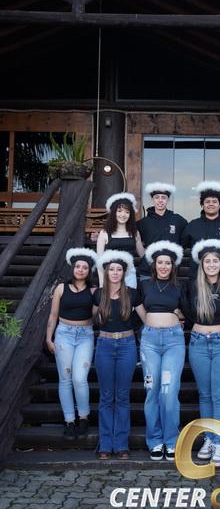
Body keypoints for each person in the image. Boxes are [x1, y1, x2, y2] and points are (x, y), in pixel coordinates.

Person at [184, 239, 220, 467]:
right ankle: (208, 439)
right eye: (208, 261)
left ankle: (219, 443)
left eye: (216, 261)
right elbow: (185, 310)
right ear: (202, 264)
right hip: (198, 343)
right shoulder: (193, 286)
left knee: (219, 396)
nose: (212, 264)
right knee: (204, 395)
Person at [93, 250, 146, 460]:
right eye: (112, 269)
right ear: (106, 272)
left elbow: (146, 318)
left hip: (127, 345)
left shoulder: (132, 294)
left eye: (119, 270)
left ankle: (122, 444)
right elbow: (90, 318)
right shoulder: (98, 294)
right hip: (104, 344)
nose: (115, 273)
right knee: (106, 396)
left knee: (122, 396)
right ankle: (106, 444)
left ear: (124, 273)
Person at [137, 240, 185, 461]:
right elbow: (138, 306)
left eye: (168, 263)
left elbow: (188, 310)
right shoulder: (145, 285)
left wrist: (178, 315)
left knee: (169, 391)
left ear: (173, 266)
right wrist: (149, 322)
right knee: (152, 389)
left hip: (174, 341)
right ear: (154, 265)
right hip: (150, 341)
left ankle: (171, 440)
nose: (164, 266)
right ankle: (155, 440)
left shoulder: (180, 286)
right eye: (160, 262)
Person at [46, 247, 98, 440]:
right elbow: (53, 315)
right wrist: (48, 338)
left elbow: (97, 316)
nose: (81, 270)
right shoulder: (61, 288)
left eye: (85, 267)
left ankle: (83, 417)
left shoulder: (93, 291)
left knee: (79, 378)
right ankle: (69, 420)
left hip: (85, 335)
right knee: (65, 379)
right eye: (78, 266)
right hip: (64, 335)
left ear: (89, 271)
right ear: (73, 268)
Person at [181, 181, 220, 280]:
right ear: (202, 204)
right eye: (207, 201)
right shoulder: (192, 225)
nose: (211, 204)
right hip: (197, 279)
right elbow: (180, 247)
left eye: (214, 201)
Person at [137, 183, 187, 281]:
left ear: (168, 200)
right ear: (152, 199)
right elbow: (135, 239)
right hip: (148, 271)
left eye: (163, 197)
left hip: (170, 271)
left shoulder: (178, 220)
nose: (160, 200)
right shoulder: (143, 223)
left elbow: (185, 240)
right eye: (157, 197)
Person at [96, 192, 144, 288]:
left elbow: (143, 254)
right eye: (119, 211)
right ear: (114, 212)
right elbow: (99, 261)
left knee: (130, 297)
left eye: (127, 212)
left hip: (129, 274)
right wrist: (101, 284)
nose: (123, 214)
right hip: (111, 274)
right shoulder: (104, 233)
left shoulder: (135, 233)